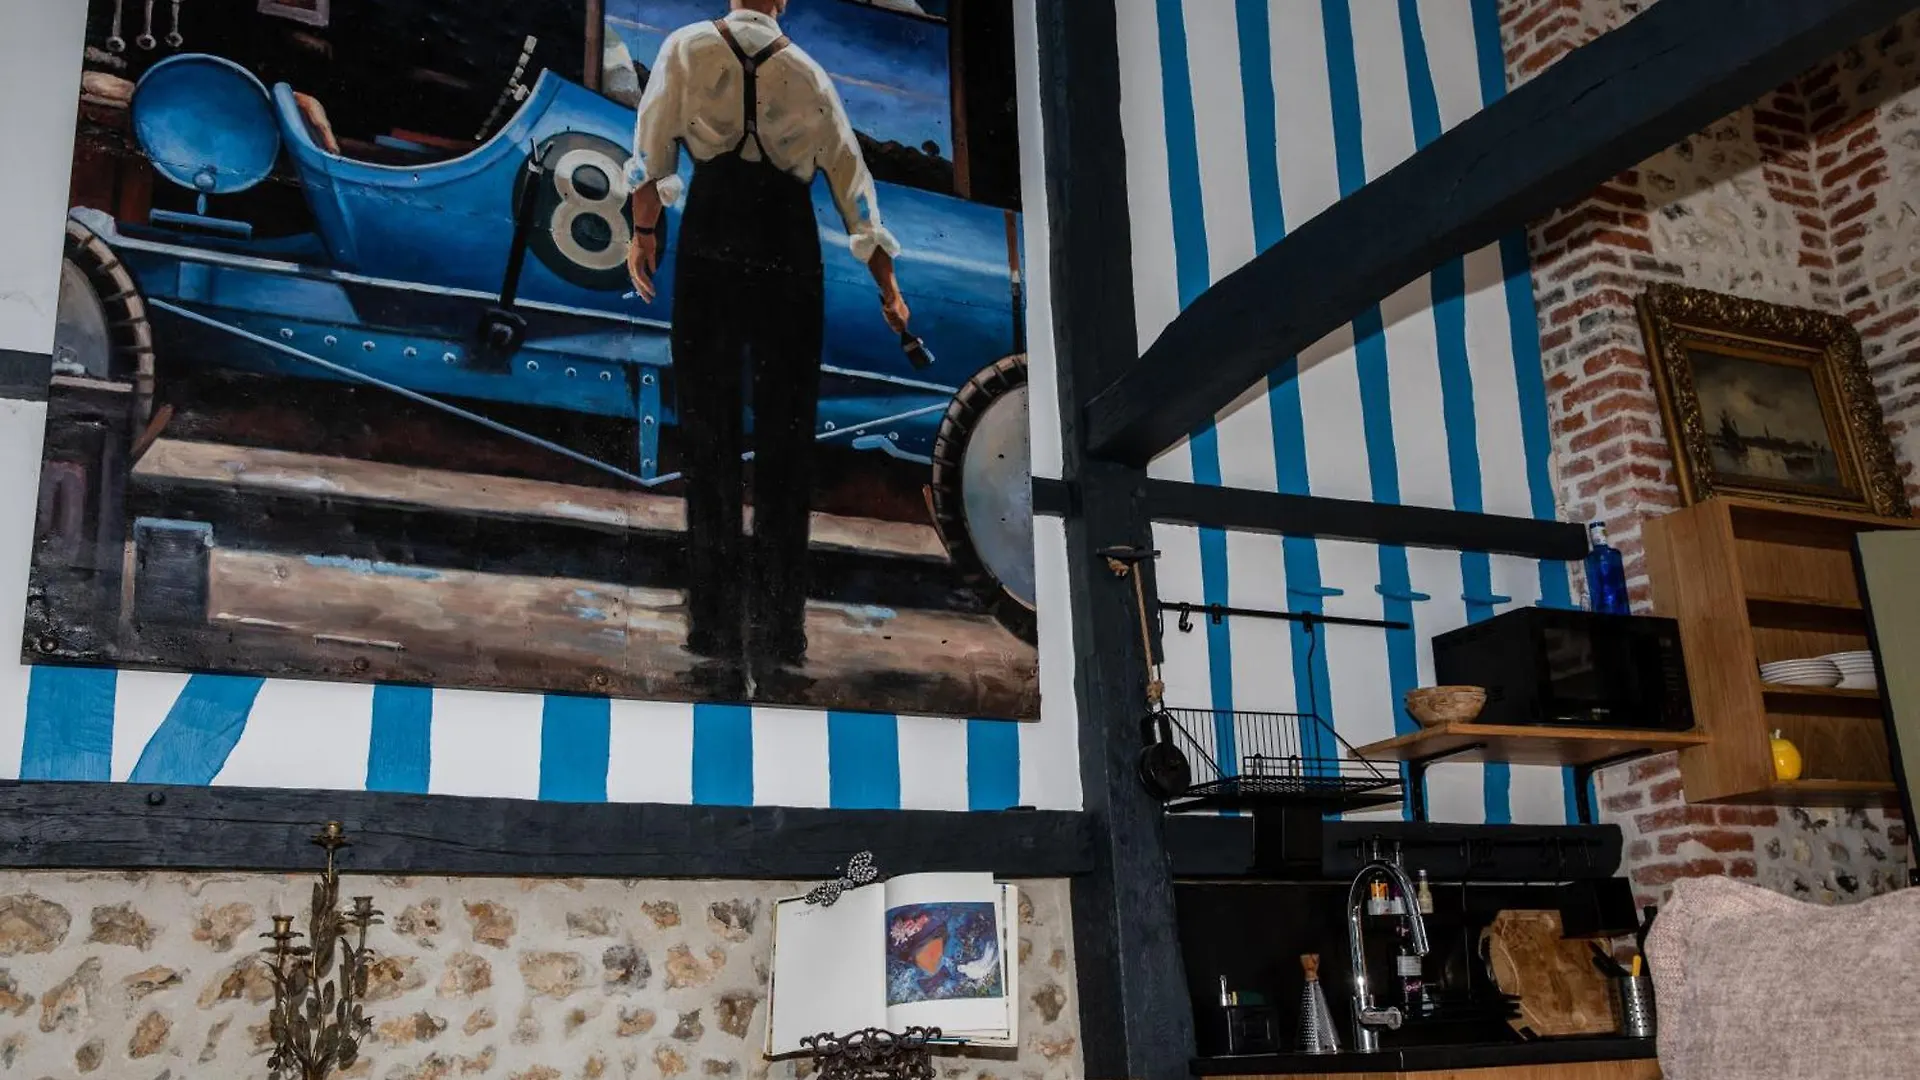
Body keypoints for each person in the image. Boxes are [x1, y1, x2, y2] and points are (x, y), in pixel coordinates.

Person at [624, 0, 910, 683]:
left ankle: (713, 624)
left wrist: (644, 234)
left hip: (712, 241)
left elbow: (651, 155)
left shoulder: (685, 49)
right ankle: (781, 630)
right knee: (788, 443)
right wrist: (889, 287)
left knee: (708, 436)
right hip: (789, 252)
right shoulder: (809, 74)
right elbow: (854, 188)